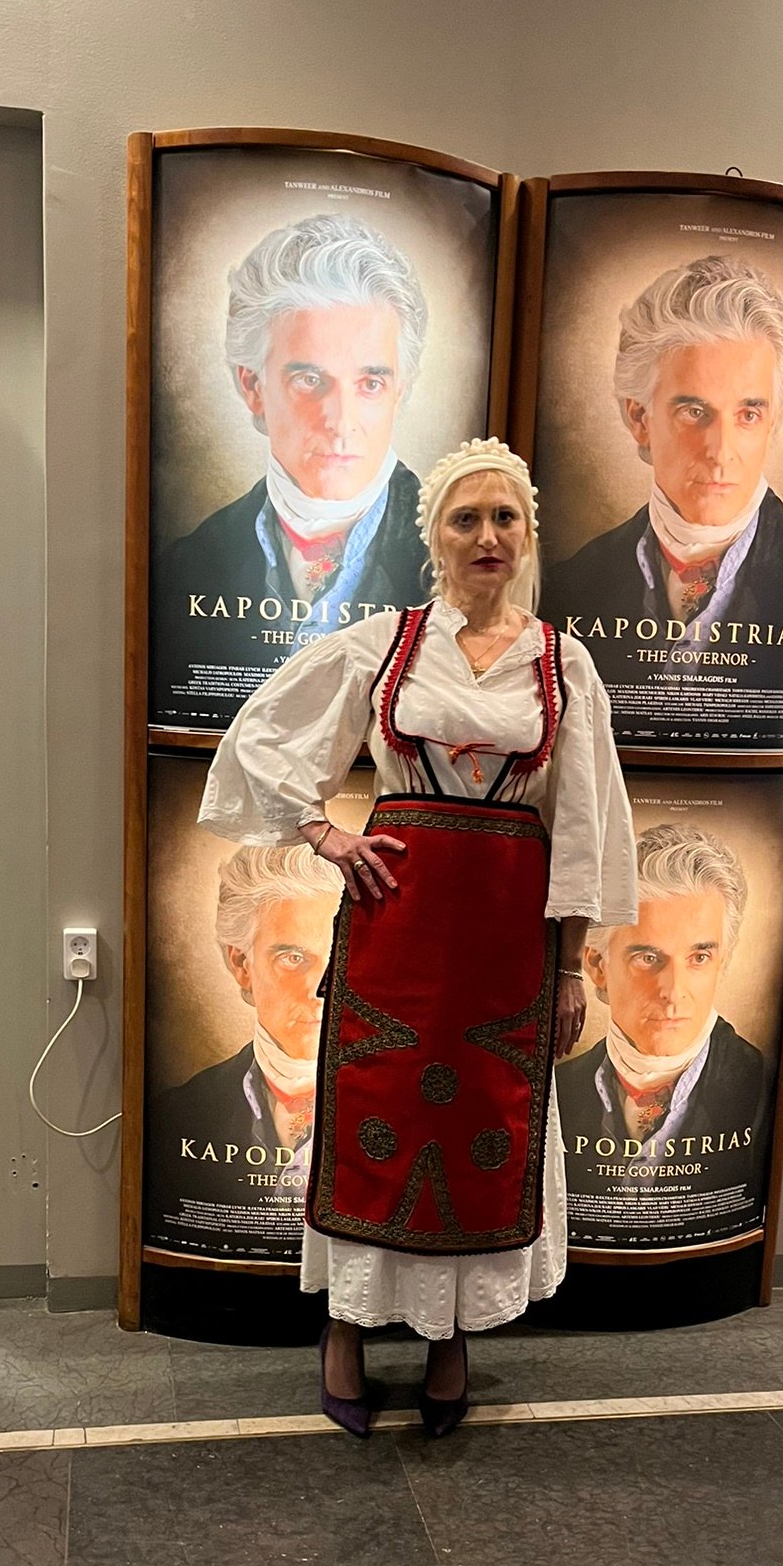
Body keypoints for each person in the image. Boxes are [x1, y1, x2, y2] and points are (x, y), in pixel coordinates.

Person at [199, 436, 637, 1435]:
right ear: (433, 536)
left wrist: (571, 965)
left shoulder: (562, 662)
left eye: (505, 517)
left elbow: (584, 826)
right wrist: (322, 832)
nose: (488, 536)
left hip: (507, 946)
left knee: (487, 1119)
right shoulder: (385, 645)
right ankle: (345, 1331)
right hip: (394, 932)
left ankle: (451, 1338)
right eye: (465, 518)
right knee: (376, 1113)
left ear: (527, 534)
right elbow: (264, 738)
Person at [542, 254, 783, 712]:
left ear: (773, 423)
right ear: (640, 418)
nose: (721, 451)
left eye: (748, 415)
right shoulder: (566, 588)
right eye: (694, 411)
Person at [156, 213, 430, 651]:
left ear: (399, 391)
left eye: (370, 384)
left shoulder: (461, 567)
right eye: (310, 380)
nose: (340, 422)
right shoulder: (184, 570)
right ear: (253, 386)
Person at [147, 842, 342, 1251]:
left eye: (340, 956)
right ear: (241, 964)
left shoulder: (406, 1110)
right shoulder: (177, 1115)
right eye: (293, 958)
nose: (319, 989)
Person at [557, 821, 767, 1189]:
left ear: (722, 963)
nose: (673, 992)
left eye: (699, 957)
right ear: (597, 965)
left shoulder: (765, 1086)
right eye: (648, 958)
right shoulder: (557, 1090)